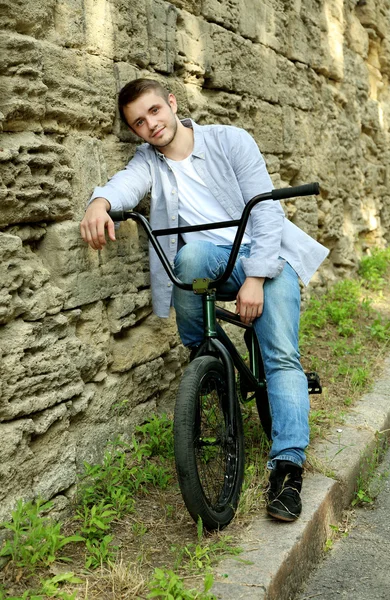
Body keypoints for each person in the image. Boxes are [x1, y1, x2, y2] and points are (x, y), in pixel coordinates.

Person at [80, 78, 329, 522]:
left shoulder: (230, 140)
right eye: (139, 122)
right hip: (208, 262)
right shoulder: (148, 163)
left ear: (173, 103)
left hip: (262, 256)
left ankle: (287, 470)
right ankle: (206, 358)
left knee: (280, 358)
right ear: (134, 130)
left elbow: (268, 212)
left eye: (155, 111)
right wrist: (99, 203)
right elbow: (123, 184)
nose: (151, 124)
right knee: (189, 253)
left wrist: (256, 278)